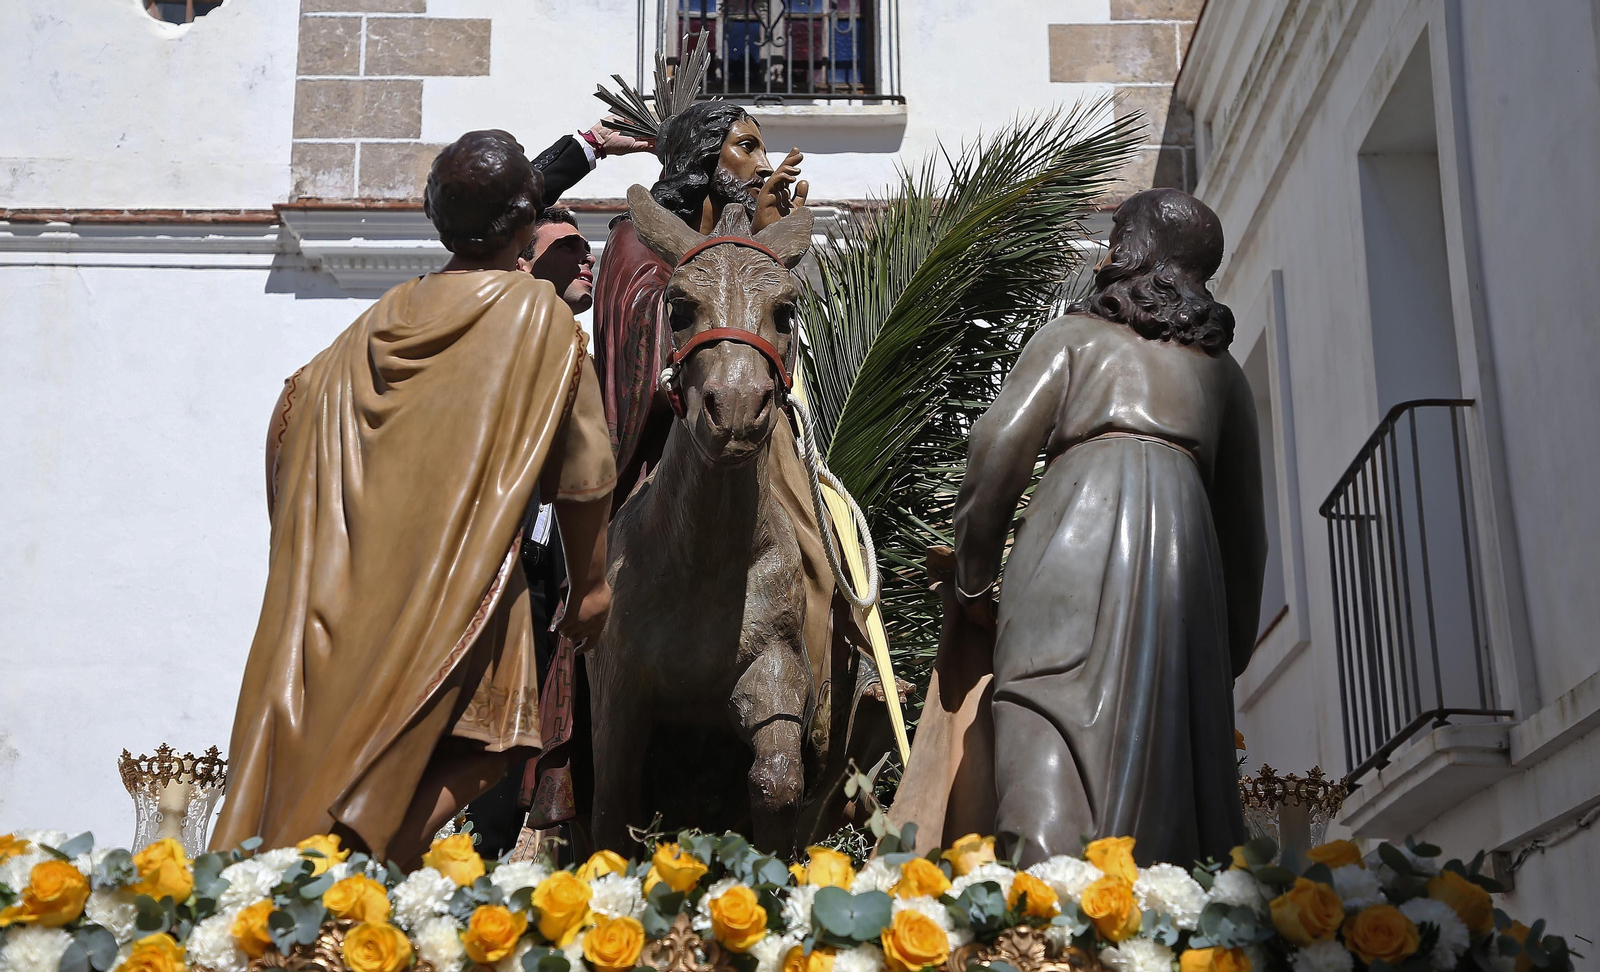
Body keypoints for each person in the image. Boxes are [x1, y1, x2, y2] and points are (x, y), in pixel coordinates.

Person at [211, 130, 618, 866]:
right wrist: (591, 587)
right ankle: (367, 864)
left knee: (457, 743)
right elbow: (586, 474)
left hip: (341, 597)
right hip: (457, 587)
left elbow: (289, 416)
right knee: (497, 739)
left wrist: (308, 547)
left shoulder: (372, 325)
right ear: (528, 226)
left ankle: (357, 866)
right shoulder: (540, 320)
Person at [950, 188, 1266, 868]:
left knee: (1045, 721)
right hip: (1187, 579)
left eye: (1117, 232)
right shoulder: (1225, 378)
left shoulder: (1071, 338)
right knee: (1175, 799)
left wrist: (973, 579)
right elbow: (1246, 534)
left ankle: (1041, 922)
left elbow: (998, 447)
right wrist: (1225, 654)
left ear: (1135, 251)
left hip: (1070, 549)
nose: (1107, 248)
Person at [516, 208, 595, 314]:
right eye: (567, 246)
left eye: (587, 250)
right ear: (520, 267)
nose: (591, 259)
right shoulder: (494, 327)